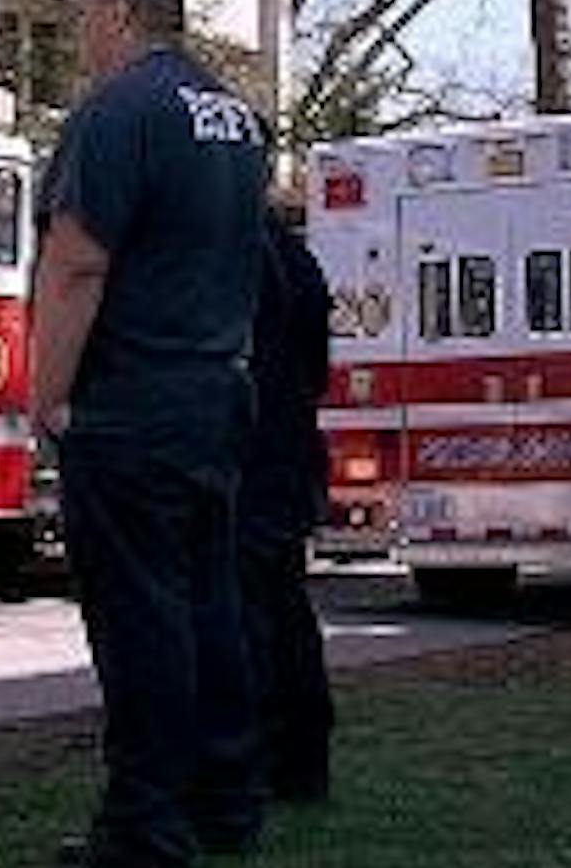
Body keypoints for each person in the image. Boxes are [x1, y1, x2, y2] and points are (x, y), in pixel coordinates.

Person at [31, 0, 268, 868]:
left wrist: (46, 392)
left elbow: (77, 259)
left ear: (124, 14)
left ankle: (144, 827)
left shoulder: (118, 111)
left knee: (141, 619)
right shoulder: (235, 121)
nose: (81, 34)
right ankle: (228, 800)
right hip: (215, 394)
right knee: (211, 602)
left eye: (86, 15)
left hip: (130, 403)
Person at [239, 196, 335, 803]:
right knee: (285, 608)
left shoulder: (230, 250)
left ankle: (259, 756)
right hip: (291, 448)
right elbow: (317, 365)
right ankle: (302, 758)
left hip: (250, 452)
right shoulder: (296, 257)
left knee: (248, 611)